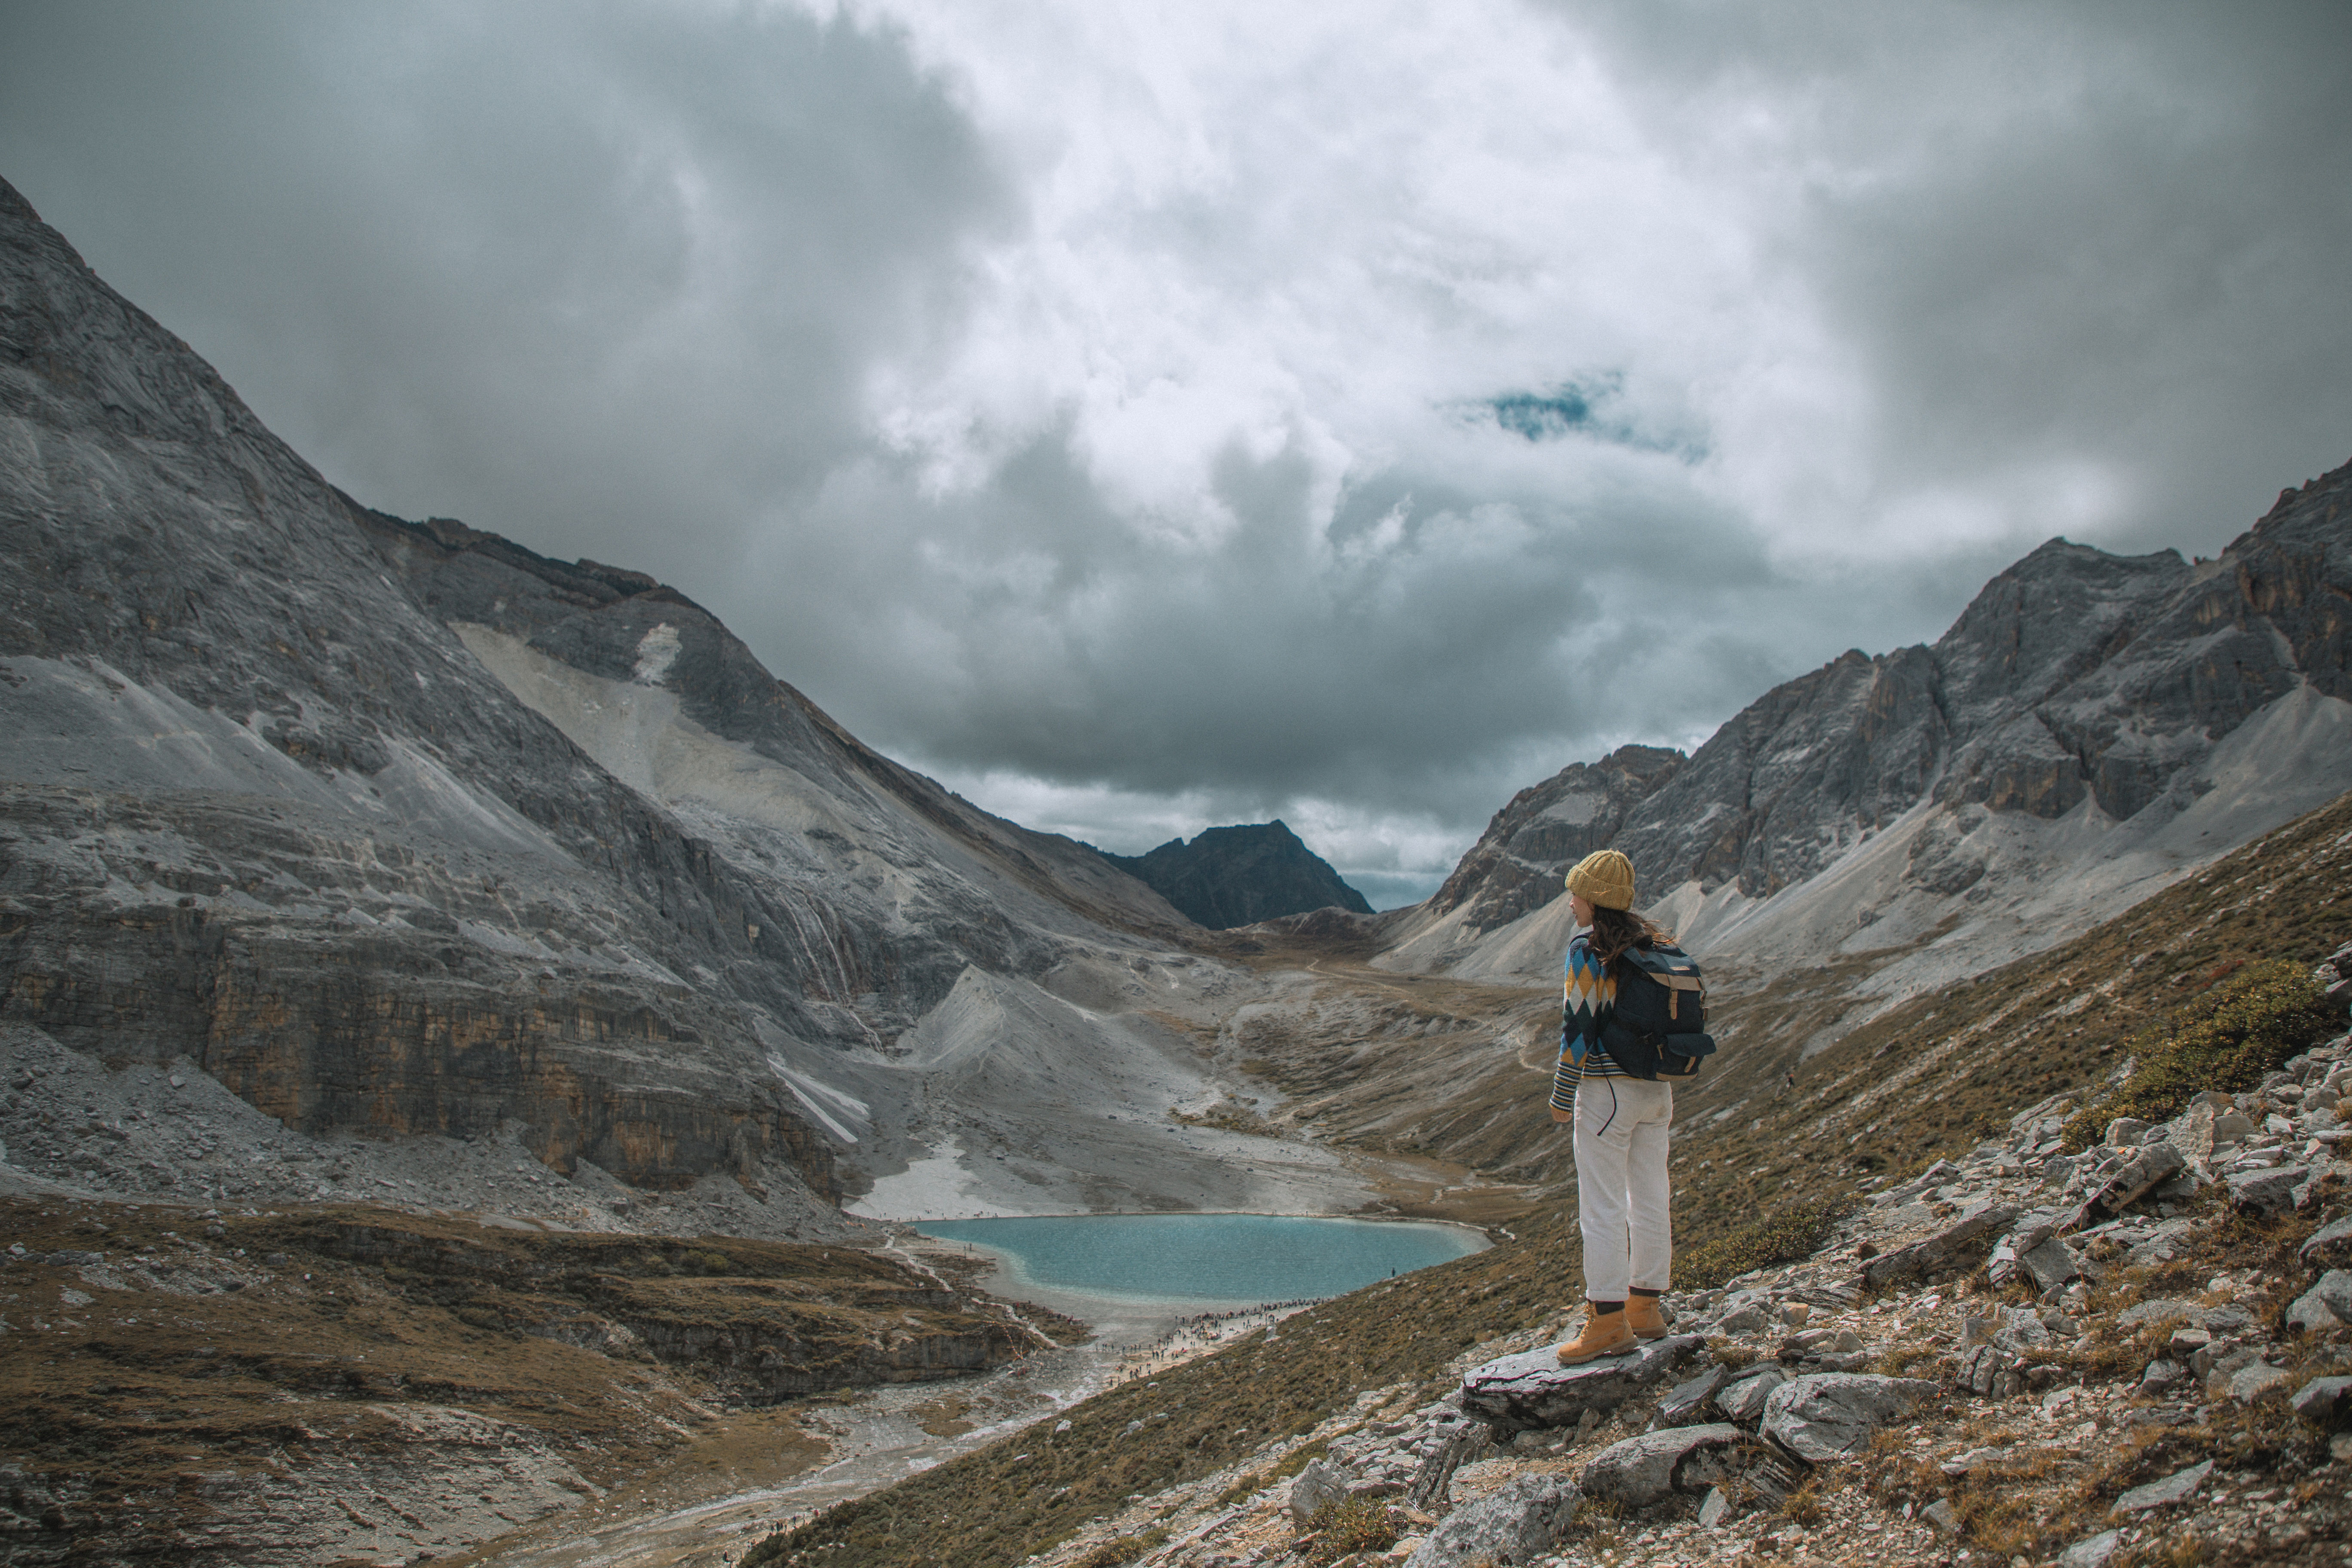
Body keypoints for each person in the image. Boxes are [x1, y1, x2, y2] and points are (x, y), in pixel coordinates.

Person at [1549, 848, 1679, 1364]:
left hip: (1608, 1092)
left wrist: (1562, 1097)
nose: (1570, 902)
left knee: (1601, 1205)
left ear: (1594, 899)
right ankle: (1645, 1308)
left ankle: (1606, 1323)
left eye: (1576, 892)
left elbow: (1579, 1028)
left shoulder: (1588, 948)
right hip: (1656, 1090)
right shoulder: (1654, 946)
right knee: (1650, 1195)